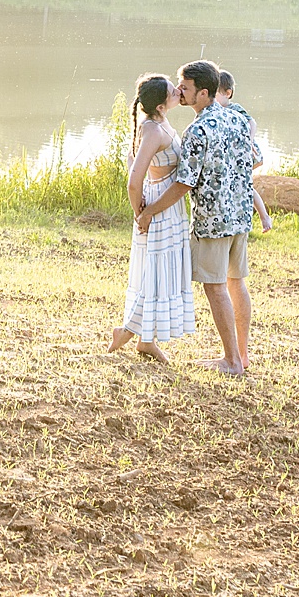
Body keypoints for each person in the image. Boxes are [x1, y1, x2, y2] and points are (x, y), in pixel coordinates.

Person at [137, 61, 258, 374]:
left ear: (203, 93)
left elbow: (183, 184)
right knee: (236, 282)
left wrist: (149, 210)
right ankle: (242, 356)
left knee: (215, 287)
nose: (180, 91)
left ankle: (231, 361)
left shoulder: (197, 130)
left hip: (213, 221)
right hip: (241, 214)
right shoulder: (238, 115)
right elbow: (256, 159)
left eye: (185, 88)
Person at [108, 74, 199, 361]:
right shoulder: (152, 131)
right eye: (174, 91)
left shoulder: (160, 123)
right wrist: (142, 214)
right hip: (157, 207)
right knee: (155, 273)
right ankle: (127, 331)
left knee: (160, 274)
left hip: (167, 205)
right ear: (160, 106)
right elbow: (133, 181)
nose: (178, 92)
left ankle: (144, 338)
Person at [217, 69, 272, 234]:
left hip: (246, 153)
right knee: (238, 183)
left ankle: (264, 217)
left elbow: (252, 122)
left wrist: (249, 139)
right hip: (233, 156)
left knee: (245, 184)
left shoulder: (234, 108)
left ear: (228, 93)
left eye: (216, 93)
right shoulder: (214, 111)